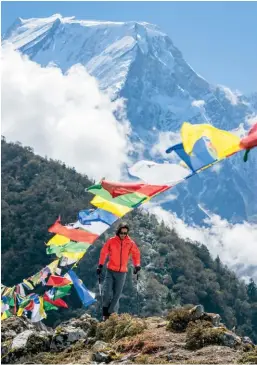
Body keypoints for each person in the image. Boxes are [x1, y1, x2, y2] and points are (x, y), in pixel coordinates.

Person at [96, 222, 141, 321]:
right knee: (106, 292)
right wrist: (100, 265)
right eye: (121, 233)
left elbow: (136, 254)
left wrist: (137, 265)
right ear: (118, 232)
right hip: (110, 271)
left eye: (125, 233)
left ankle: (111, 315)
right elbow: (104, 252)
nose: (123, 235)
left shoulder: (130, 243)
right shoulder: (111, 241)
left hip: (122, 273)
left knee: (117, 295)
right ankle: (105, 313)